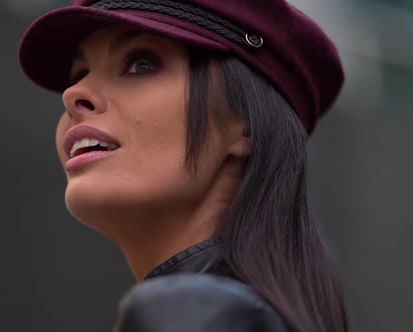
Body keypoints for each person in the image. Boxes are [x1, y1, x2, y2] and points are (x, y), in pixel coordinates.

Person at [19, 0, 348, 331]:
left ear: (244, 123)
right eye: (79, 73)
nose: (73, 93)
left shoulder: (196, 313)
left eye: (141, 64)